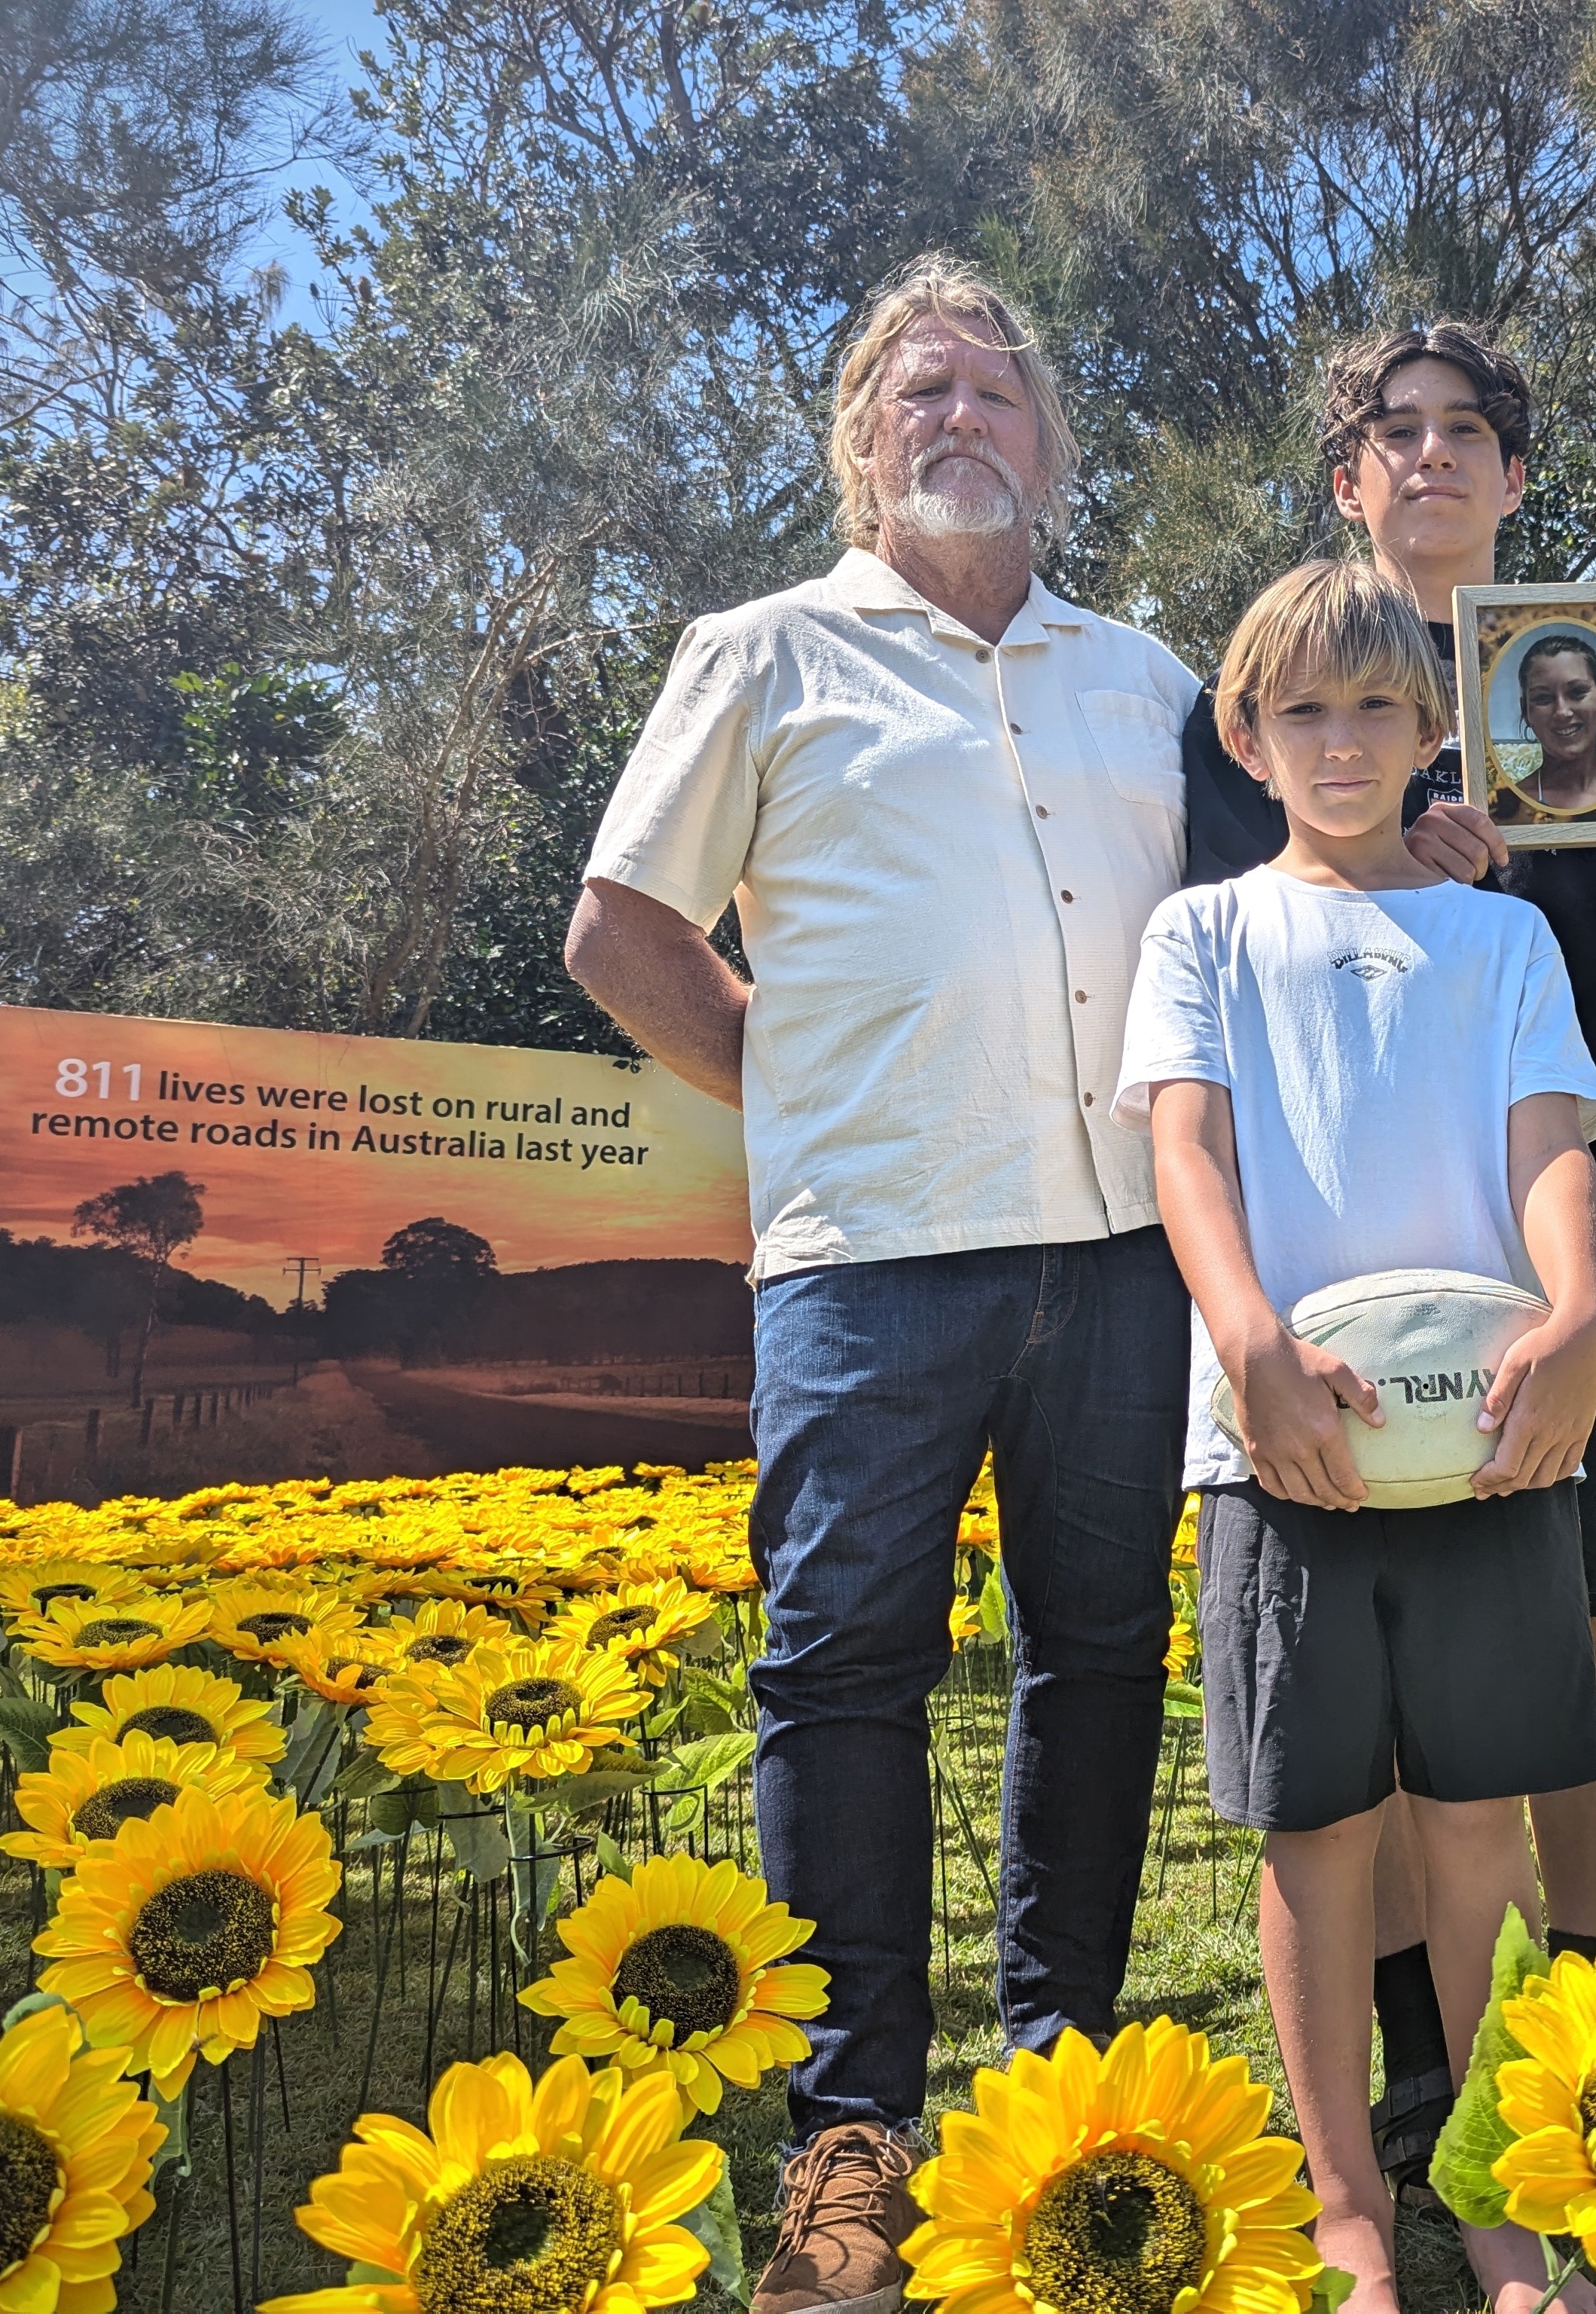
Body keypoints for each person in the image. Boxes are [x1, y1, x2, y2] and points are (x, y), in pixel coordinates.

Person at [565, 255, 1199, 2314]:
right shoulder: (760, 653)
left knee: (1096, 1662)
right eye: (916, 392)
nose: (957, 417)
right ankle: (852, 2133)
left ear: (1051, 446)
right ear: (860, 443)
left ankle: (1062, 2083)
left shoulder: (1152, 678)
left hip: (1120, 1257)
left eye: (993, 391)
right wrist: (805, 1086)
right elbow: (621, 931)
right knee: (841, 1675)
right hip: (865, 1262)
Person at [1179, 321, 1596, 2187]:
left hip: (1567, 1228)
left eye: (1466, 433)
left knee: (1577, 1623)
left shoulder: (1586, 695)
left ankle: (1577, 2017)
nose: (1430, 458)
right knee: (1389, 1684)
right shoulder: (1281, 696)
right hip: (1348, 1278)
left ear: (1512, 476)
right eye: (1393, 433)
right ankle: (1421, 2079)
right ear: (1346, 476)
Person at [1121, 560, 1596, 2314]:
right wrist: (1248, 1340)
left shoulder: (1501, 938)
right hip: (1281, 1450)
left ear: (1428, 729)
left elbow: (1544, 1145)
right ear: (1246, 736)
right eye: (1299, 711)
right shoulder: (1198, 934)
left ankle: (1494, 2201)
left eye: (1373, 708)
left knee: (1482, 1829)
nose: (1339, 742)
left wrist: (1582, 1308)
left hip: (1486, 1449)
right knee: (1317, 1836)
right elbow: (1184, 1153)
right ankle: (1345, 2206)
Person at [1495, 630, 1596, 823]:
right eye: (1543, 698)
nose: (1562, 711)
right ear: (1526, 712)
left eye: (1577, 692)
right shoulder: (1505, 811)